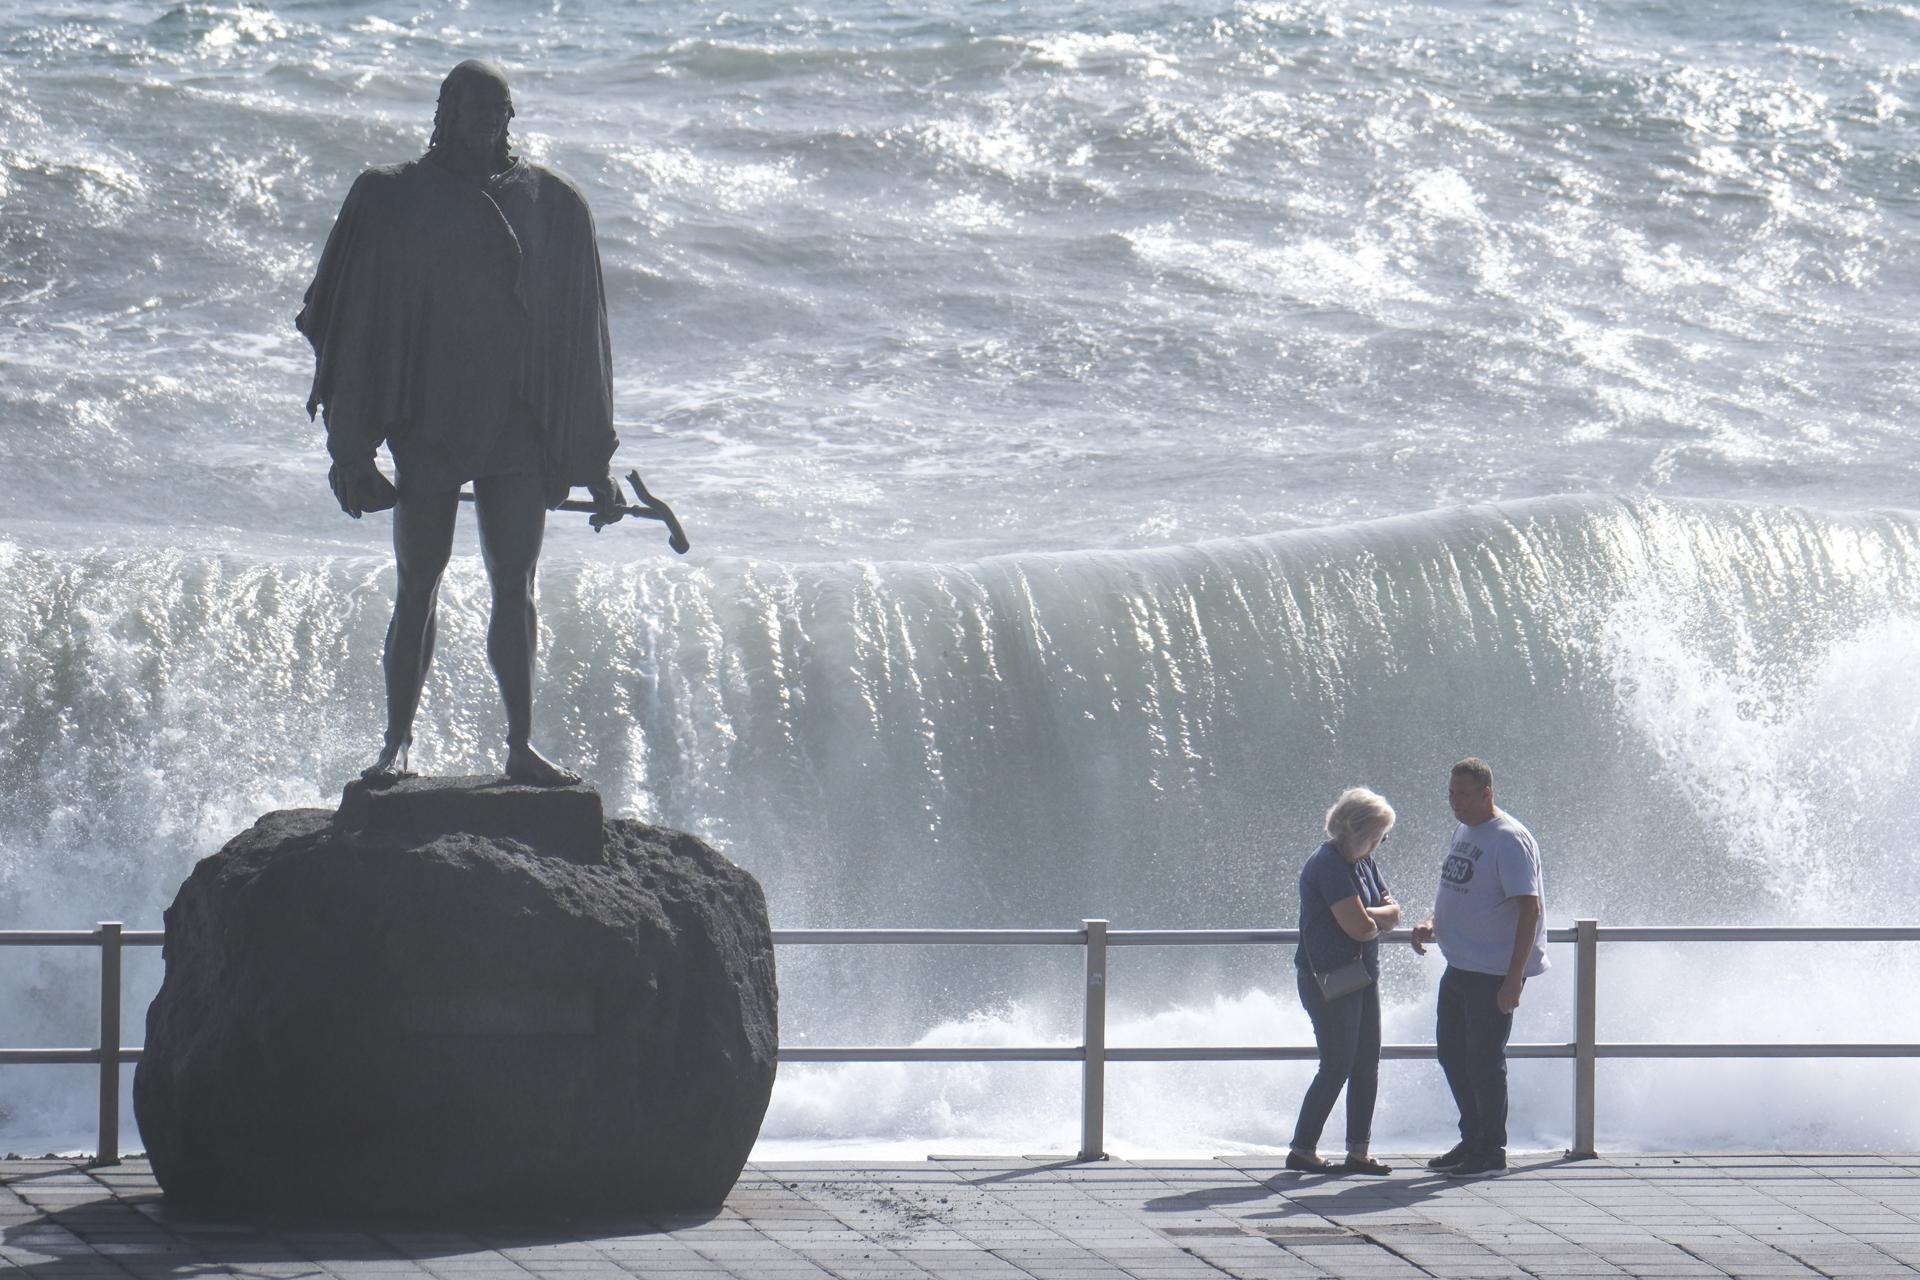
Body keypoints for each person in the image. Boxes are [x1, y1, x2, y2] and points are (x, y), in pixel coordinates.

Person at [296, 60, 626, 787]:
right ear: (443, 111)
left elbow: (583, 345)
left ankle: (520, 746)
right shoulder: (391, 198)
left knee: (517, 583)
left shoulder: (554, 204)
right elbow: (352, 325)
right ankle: (397, 744)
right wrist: (352, 452)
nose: (488, 123)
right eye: (473, 108)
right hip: (429, 427)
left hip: (515, 430)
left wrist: (591, 461)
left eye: (499, 110)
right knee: (419, 580)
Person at [1410, 758, 1547, 1177]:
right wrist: (1433, 922)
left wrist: (1513, 979)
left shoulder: (1509, 839)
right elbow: (1462, 886)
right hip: (1461, 964)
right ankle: (1472, 1138)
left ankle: (1492, 1150)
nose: (1455, 802)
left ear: (1488, 793)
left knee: (1484, 1060)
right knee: (1451, 1053)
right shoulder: (1465, 828)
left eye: (1464, 794)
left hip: (1492, 969)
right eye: (1451, 793)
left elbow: (1530, 910)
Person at [1287, 786, 1402, 1175]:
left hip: (1362, 975)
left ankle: (1359, 1152)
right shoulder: (1329, 864)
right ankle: (1302, 1148)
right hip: (1328, 979)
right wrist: (1372, 919)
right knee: (1337, 1063)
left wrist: (1369, 915)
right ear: (1361, 831)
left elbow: (1392, 913)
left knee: (1366, 1062)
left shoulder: (1362, 860)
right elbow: (1360, 929)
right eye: (1380, 835)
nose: (1383, 842)